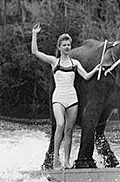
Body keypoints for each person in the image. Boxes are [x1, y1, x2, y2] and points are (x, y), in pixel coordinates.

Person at [31, 23, 100, 170]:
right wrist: (34, 34)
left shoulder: (75, 63)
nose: (67, 47)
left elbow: (86, 76)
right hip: (58, 99)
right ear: (59, 47)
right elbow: (35, 52)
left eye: (69, 45)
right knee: (60, 125)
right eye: (64, 45)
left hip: (72, 99)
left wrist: (97, 69)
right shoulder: (54, 62)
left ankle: (67, 161)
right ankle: (56, 158)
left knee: (69, 130)